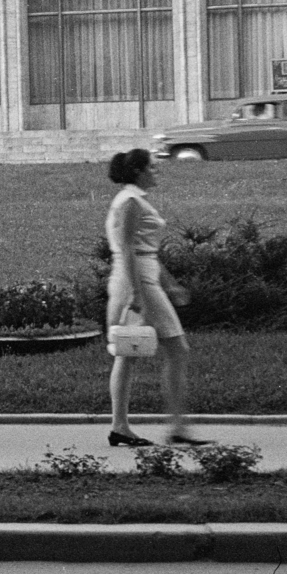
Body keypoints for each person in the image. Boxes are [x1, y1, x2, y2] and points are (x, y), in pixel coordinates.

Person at [104, 148, 209, 448]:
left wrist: (170, 284)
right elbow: (127, 248)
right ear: (138, 171)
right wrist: (138, 294)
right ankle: (173, 427)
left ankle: (122, 426)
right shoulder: (131, 202)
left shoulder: (133, 200)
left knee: (129, 354)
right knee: (175, 349)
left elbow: (143, 250)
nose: (157, 171)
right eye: (152, 167)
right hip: (137, 281)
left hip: (141, 278)